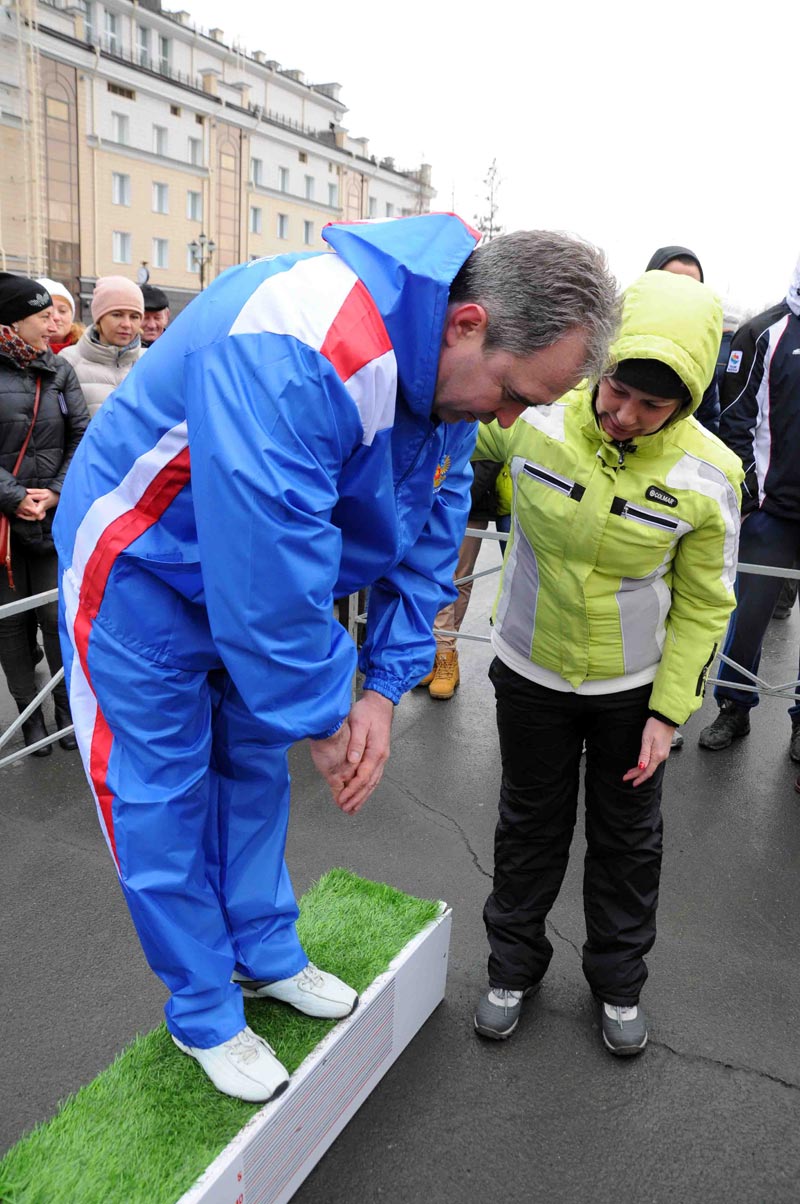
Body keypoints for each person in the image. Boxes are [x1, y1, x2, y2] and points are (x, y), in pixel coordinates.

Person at [53, 214, 618, 1102]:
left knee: (249, 770)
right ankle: (203, 1007)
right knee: (158, 795)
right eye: (512, 392)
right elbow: (267, 567)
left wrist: (384, 690)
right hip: (140, 569)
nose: (506, 418)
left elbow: (435, 529)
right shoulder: (304, 339)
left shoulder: (450, 375)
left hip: (247, 586)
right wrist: (327, 713)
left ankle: (264, 952)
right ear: (467, 321)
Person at [471, 269, 743, 1056]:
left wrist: (670, 711)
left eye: (649, 408)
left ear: (684, 404)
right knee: (529, 823)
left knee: (628, 841)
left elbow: (705, 602)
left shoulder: (710, 474)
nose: (623, 416)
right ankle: (511, 968)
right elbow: (452, 420)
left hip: (633, 694)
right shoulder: (539, 413)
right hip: (529, 673)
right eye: (616, 392)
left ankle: (619, 983)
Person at [698, 253, 800, 759]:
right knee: (748, 618)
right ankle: (733, 708)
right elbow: (735, 422)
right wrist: (752, 498)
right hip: (773, 514)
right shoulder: (764, 332)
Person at [0, 273, 89, 754]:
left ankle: (63, 712)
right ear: (15, 320)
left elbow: (81, 434)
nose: (53, 320)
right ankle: (26, 716)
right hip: (3, 523)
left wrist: (54, 492)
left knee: (57, 614)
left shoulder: (59, 369)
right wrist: (14, 496)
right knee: (10, 625)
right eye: (42, 314)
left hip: (53, 517)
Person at [418, 456, 511, 699]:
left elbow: (492, 459)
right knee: (442, 576)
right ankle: (442, 652)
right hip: (438, 499)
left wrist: (460, 494)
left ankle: (445, 654)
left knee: (459, 578)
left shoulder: (485, 425)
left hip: (472, 502)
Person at [645, 245, 720, 436]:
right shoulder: (611, 333)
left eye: (691, 287)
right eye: (670, 282)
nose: (681, 293)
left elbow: (709, 418)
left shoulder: (702, 349)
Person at [59, 276, 145, 416]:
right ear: (99, 319)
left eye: (134, 317)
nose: (126, 324)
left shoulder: (150, 360)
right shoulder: (69, 361)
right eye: (117, 315)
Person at [37, 277, 83, 355]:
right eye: (47, 312)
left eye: (62, 311)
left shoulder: (88, 350)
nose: (56, 317)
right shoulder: (20, 354)